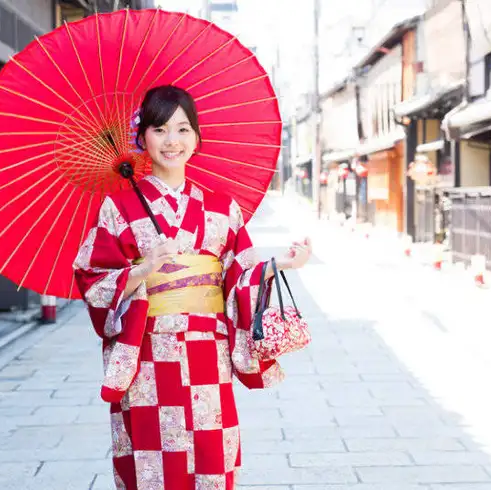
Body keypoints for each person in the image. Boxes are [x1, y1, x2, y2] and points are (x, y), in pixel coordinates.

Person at [73, 85, 312, 490]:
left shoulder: (222, 206)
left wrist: (279, 265)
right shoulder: (119, 208)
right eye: (160, 129)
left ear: (197, 137)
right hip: (147, 353)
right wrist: (142, 269)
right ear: (142, 138)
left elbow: (240, 274)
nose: (172, 141)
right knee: (151, 457)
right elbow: (91, 276)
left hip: (207, 350)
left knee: (211, 454)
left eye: (183, 130)